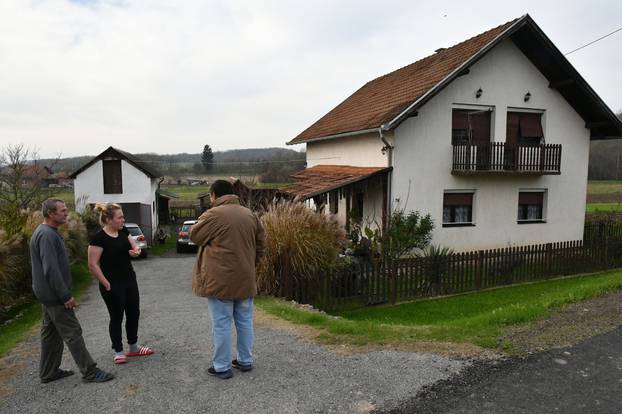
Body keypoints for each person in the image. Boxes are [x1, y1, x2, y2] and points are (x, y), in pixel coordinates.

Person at [30, 198, 114, 383]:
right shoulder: (46, 235)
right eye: (62, 211)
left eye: (65, 210)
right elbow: (50, 269)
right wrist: (65, 295)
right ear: (50, 214)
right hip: (54, 296)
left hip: (48, 295)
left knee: (50, 334)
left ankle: (48, 372)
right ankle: (90, 372)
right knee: (72, 332)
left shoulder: (48, 232)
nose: (66, 213)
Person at [190, 180, 265, 379]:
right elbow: (261, 246)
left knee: (222, 324)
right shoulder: (249, 214)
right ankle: (245, 360)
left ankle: (222, 366)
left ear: (214, 194)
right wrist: (250, 264)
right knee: (245, 321)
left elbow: (195, 236)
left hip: (220, 280)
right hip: (246, 278)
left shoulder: (213, 215)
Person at [88, 203, 154, 365]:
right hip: (111, 284)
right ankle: (118, 350)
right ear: (108, 219)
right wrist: (106, 284)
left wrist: (135, 252)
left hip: (129, 281)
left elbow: (135, 248)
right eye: (120, 217)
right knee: (116, 317)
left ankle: (133, 347)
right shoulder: (98, 238)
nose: (123, 220)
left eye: (123, 216)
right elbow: (92, 264)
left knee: (133, 313)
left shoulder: (123, 231)